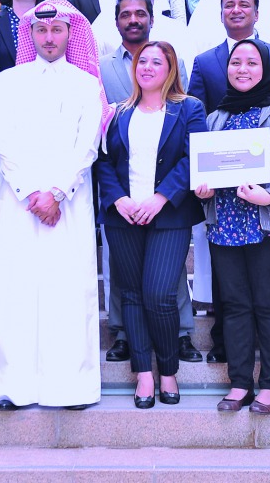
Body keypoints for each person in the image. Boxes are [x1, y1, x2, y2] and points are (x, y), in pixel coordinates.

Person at [0, 0, 107, 410]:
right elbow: (2, 141)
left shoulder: (87, 84)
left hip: (69, 202)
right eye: (41, 31)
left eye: (57, 31)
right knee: (13, 290)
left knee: (68, 292)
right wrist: (31, 192)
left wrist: (57, 192)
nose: (49, 38)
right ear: (29, 35)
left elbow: (87, 145)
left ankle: (70, 387)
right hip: (18, 202)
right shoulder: (8, 81)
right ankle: (11, 387)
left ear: (70, 34)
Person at [194, 39, 270, 415]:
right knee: (235, 306)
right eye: (236, 62)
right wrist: (203, 189)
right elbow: (206, 169)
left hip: (266, 225)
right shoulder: (214, 118)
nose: (242, 69)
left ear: (266, 70)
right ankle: (240, 382)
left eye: (252, 63)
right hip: (224, 223)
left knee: (269, 305)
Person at [97, 41, 206, 408]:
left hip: (169, 215)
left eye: (155, 62)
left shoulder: (189, 108)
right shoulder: (118, 112)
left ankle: (168, 370)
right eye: (142, 61)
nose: (146, 67)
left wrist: (160, 198)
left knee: (159, 295)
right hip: (124, 216)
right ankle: (144, 374)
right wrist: (119, 199)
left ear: (170, 68)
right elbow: (104, 162)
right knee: (130, 294)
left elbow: (194, 158)